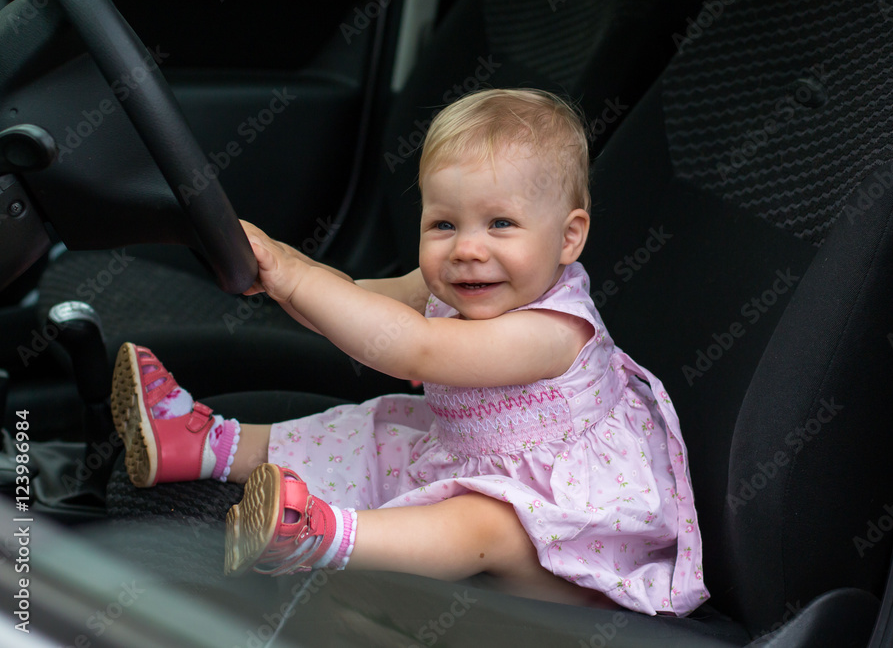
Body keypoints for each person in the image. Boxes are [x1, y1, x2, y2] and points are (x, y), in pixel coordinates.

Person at [110, 88, 708, 616]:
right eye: (444, 224)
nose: (467, 249)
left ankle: (320, 536)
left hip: (564, 539)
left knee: (486, 523)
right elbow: (356, 305)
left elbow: (413, 350)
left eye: (500, 223)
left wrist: (296, 277)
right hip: (473, 458)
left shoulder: (553, 333)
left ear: (568, 236)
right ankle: (202, 443)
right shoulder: (451, 286)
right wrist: (280, 273)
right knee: (367, 428)